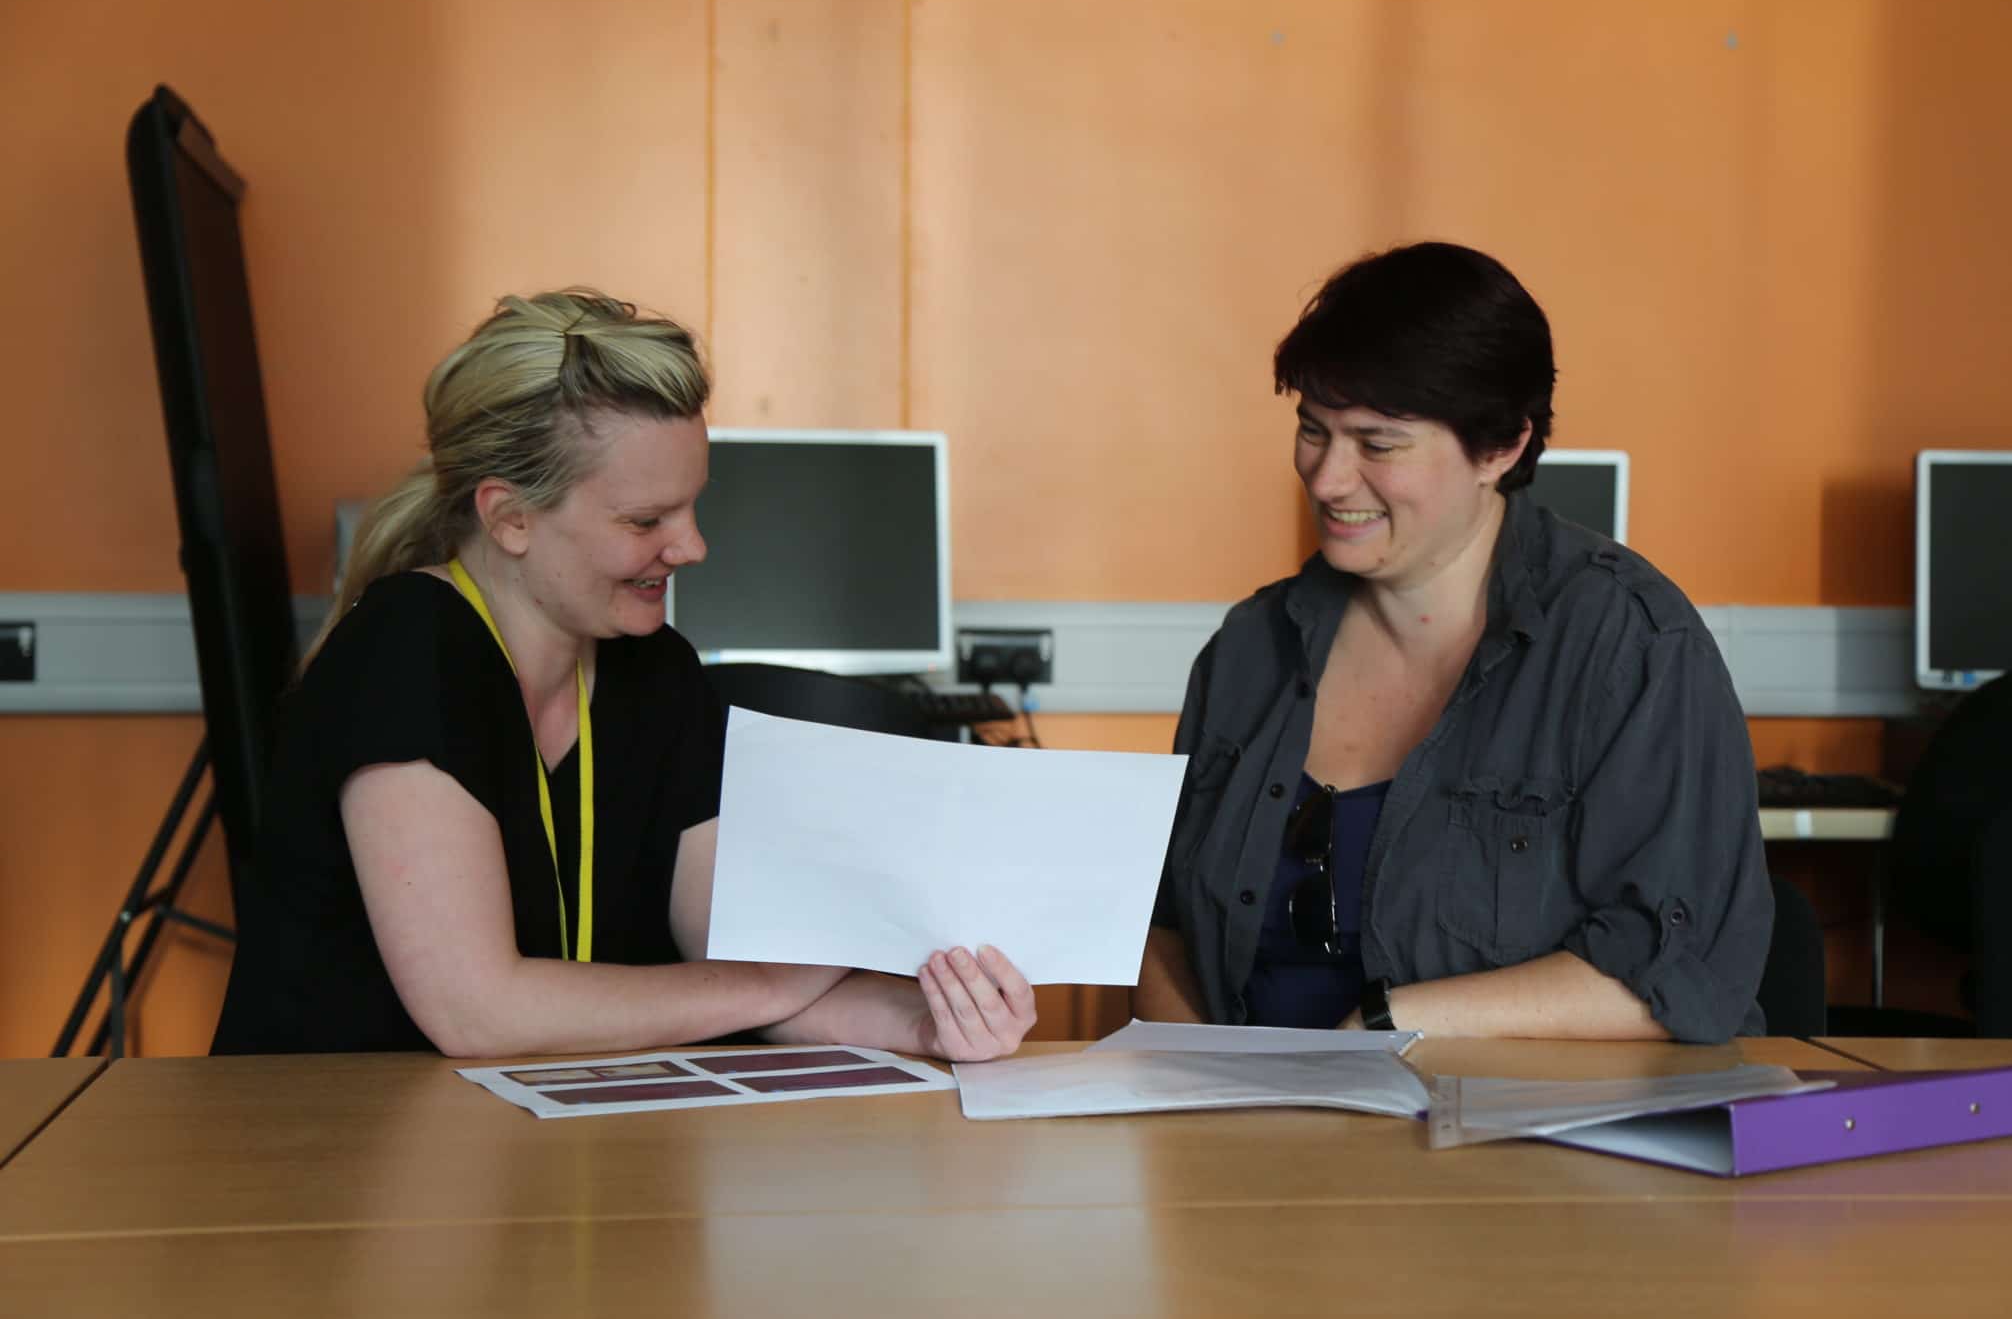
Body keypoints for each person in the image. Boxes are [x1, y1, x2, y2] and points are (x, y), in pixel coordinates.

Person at [212, 290, 1035, 1059]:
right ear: (510, 517)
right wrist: (773, 979)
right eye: (646, 520)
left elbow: (741, 975)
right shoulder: (404, 649)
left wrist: (927, 1023)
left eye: (692, 506)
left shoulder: (655, 670)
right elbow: (477, 1010)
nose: (692, 547)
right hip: (326, 1166)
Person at [1136, 242, 1772, 1043]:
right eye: (1312, 430)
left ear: (1500, 447)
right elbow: (1163, 934)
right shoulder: (1249, 648)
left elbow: (1677, 977)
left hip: (1519, 1158)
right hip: (1255, 1147)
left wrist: (1385, 1030)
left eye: (1378, 443)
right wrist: (1204, 1096)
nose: (1328, 477)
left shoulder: (1631, 646)